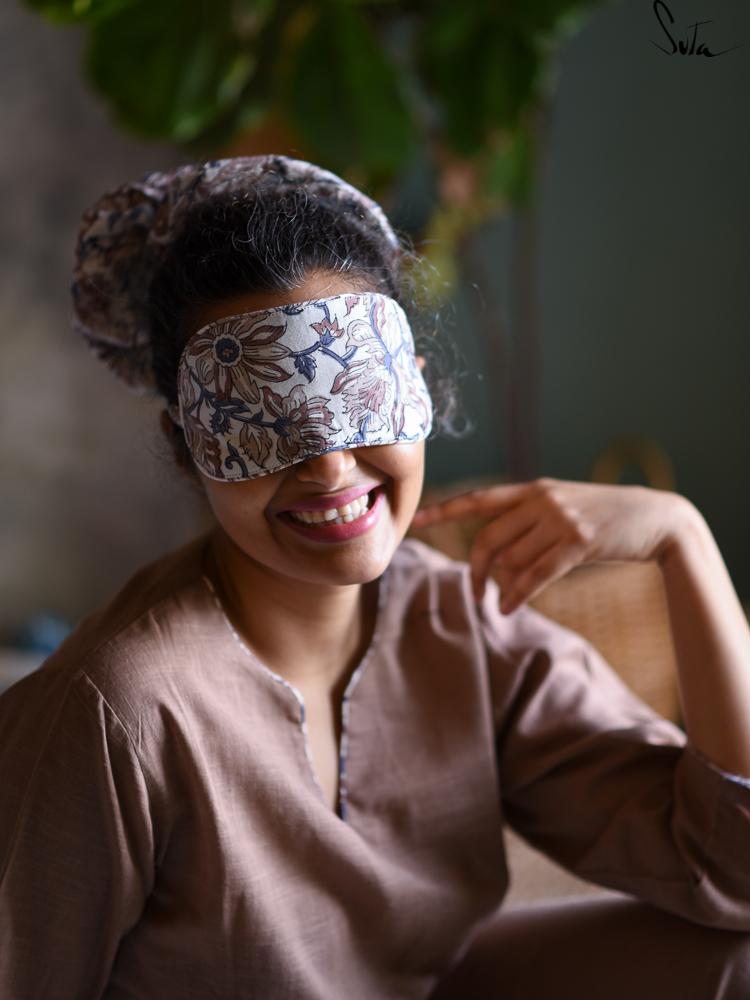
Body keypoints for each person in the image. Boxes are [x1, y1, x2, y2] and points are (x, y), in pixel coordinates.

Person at [1, 155, 749, 1000]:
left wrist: (683, 541)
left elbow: (731, 872)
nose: (330, 467)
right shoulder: (118, 711)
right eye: (261, 419)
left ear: (417, 391)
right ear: (187, 447)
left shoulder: (459, 619)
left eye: (360, 396)